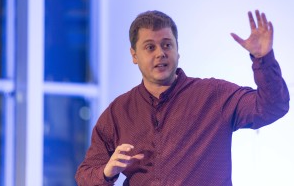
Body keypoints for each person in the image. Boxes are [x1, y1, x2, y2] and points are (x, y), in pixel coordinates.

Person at [75, 10, 290, 185]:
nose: (160, 53)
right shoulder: (118, 112)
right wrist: (107, 171)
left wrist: (263, 59)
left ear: (178, 51)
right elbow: (85, 176)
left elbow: (272, 106)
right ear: (134, 55)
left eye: (167, 45)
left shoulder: (213, 95)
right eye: (150, 47)